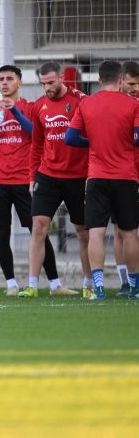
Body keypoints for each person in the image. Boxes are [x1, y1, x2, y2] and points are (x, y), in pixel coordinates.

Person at [0, 65, 73, 296]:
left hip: (24, 180)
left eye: (9, 79)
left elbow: (37, 134)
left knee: (37, 230)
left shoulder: (30, 108)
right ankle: (11, 284)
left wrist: (15, 112)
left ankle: (55, 284)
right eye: (1, 79)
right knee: (1, 233)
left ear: (19, 82)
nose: (4, 83)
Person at [65, 60, 139, 300]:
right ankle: (135, 287)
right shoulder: (132, 104)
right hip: (126, 176)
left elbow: (70, 138)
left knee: (96, 233)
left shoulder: (87, 103)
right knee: (129, 233)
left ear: (99, 80)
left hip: (96, 177)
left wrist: (93, 143)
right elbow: (138, 139)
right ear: (120, 80)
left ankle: (98, 288)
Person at [19, 61, 91, 298]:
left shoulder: (81, 100)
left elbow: (93, 138)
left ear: (62, 77)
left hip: (78, 176)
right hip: (47, 175)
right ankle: (31, 284)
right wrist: (32, 177)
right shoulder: (39, 106)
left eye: (51, 82)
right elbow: (36, 146)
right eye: (43, 84)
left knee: (83, 232)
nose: (47, 87)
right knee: (38, 226)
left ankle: (89, 284)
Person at [113, 61, 139, 297]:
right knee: (122, 231)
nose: (136, 88)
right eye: (132, 83)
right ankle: (125, 282)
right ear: (121, 81)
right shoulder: (113, 107)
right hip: (122, 176)